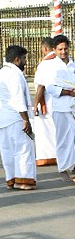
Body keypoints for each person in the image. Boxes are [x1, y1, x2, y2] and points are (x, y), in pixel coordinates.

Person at [46, 34, 75, 183]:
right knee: (63, 139)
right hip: (61, 109)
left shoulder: (74, 66)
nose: (63, 52)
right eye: (60, 49)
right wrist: (70, 92)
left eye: (66, 49)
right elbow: (50, 88)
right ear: (55, 50)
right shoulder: (51, 66)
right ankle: (63, 167)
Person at [0, 44, 36, 190]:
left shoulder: (2, 72)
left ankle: (12, 180)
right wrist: (26, 120)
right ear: (16, 59)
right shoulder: (14, 74)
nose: (25, 62)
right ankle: (23, 181)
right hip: (16, 118)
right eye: (24, 58)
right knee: (23, 149)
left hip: (3, 120)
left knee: (7, 150)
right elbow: (18, 99)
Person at [33, 36, 57, 166]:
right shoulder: (60, 61)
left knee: (45, 131)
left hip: (47, 102)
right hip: (60, 101)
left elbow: (40, 85)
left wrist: (36, 103)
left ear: (44, 48)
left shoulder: (45, 64)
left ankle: (47, 157)